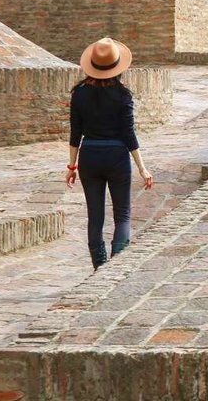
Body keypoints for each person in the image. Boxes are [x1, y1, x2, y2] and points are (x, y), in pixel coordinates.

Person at [65, 37, 154, 270]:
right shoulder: (123, 96)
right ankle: (116, 266)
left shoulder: (79, 94)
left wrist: (72, 166)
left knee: (95, 217)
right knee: (122, 215)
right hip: (117, 156)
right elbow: (129, 134)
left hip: (90, 155)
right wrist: (142, 168)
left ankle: (99, 266)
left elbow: (75, 134)